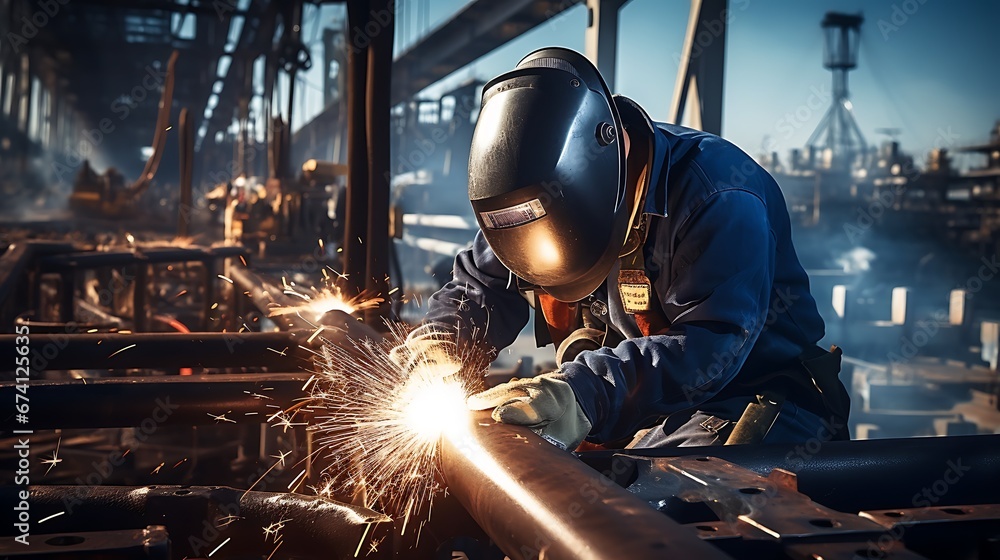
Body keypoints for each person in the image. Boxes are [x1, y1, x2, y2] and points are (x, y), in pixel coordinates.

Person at [394, 47, 850, 450]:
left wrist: (585, 392)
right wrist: (442, 345)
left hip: (754, 400)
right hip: (637, 399)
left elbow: (710, 344)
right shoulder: (536, 196)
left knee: (652, 509)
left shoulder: (720, 196)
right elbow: (483, 287)